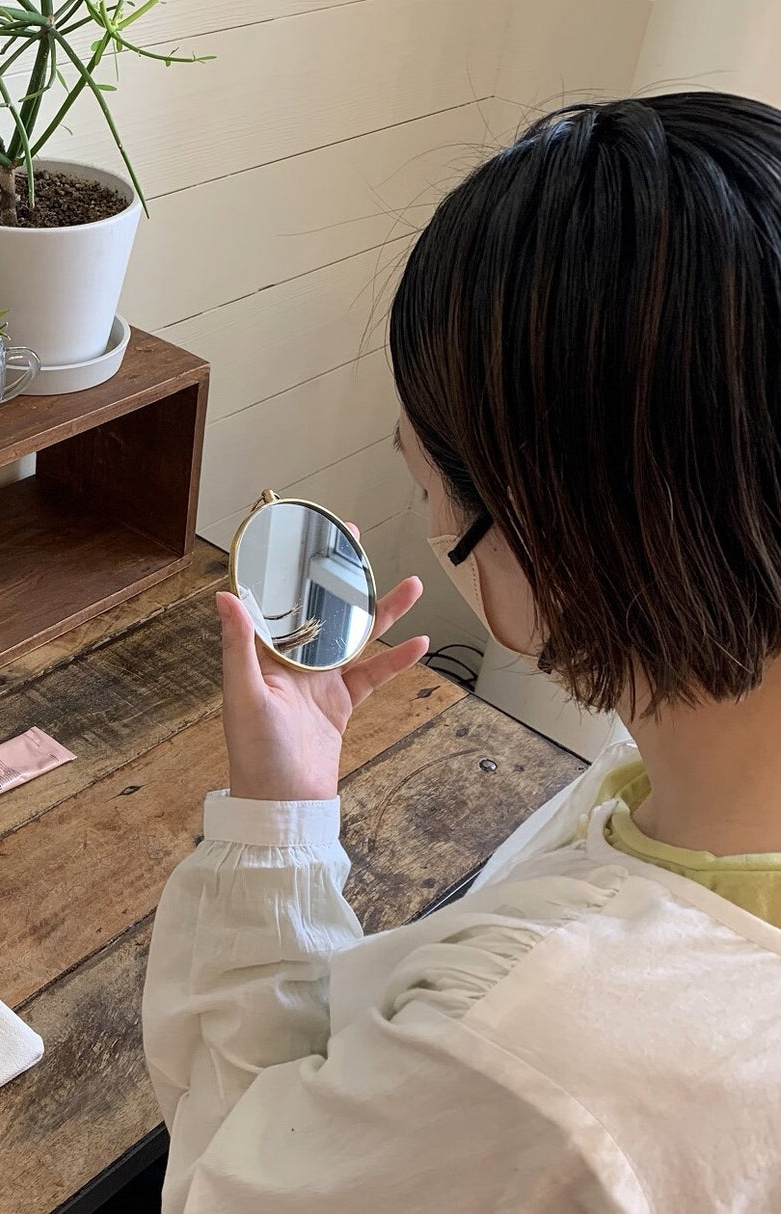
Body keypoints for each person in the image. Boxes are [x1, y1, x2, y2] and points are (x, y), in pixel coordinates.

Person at [142, 92, 781, 1213]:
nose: (431, 534)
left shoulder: (534, 1064)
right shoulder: (684, 805)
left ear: (545, 527)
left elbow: (234, 1180)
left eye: (424, 484)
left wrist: (273, 832)